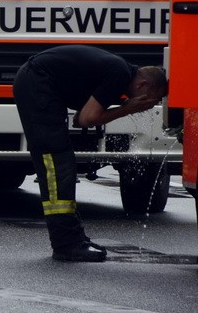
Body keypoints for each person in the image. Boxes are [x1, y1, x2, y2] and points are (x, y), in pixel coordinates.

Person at [13, 45, 168, 262]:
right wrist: (129, 108)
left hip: (36, 81)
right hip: (36, 83)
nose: (150, 105)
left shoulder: (119, 73)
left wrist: (123, 106)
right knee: (57, 163)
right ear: (142, 84)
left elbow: (79, 119)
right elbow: (87, 119)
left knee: (62, 162)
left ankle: (74, 239)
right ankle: (66, 244)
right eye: (152, 98)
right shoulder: (119, 73)